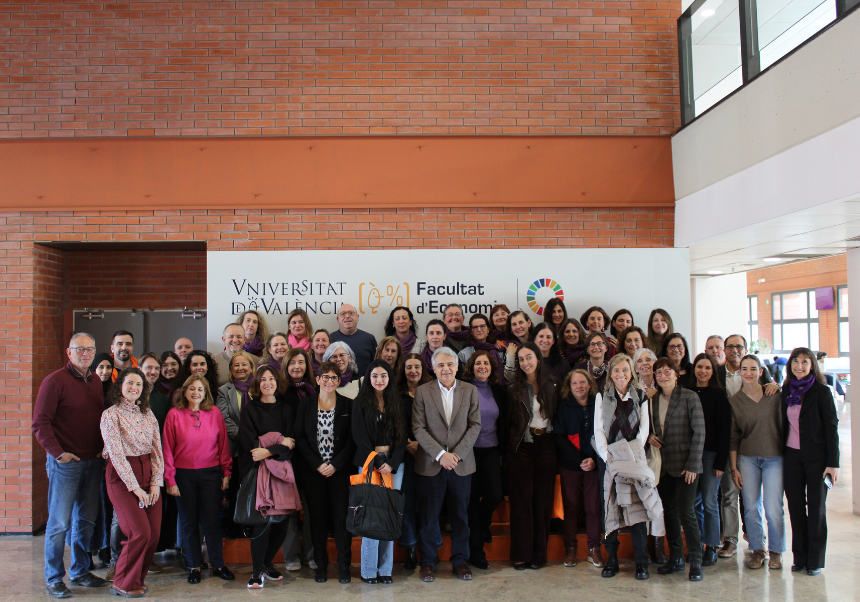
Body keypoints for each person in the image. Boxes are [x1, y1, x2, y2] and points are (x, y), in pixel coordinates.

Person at [33, 333, 108, 599]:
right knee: (59, 523)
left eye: (90, 349)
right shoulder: (55, 381)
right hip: (66, 465)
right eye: (80, 349)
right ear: (69, 352)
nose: (85, 354)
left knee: (85, 521)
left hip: (93, 462)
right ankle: (54, 578)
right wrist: (59, 454)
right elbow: (40, 424)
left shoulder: (96, 381)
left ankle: (80, 570)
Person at [412, 348, 482, 583]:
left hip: (461, 465)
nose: (446, 369)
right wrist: (441, 454)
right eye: (441, 365)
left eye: (450, 364)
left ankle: (460, 560)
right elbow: (418, 428)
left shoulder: (470, 390)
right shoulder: (423, 392)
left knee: (461, 516)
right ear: (433, 367)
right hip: (431, 464)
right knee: (429, 516)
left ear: (457, 366)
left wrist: (456, 455)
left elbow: (475, 425)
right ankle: (428, 562)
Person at [162, 374, 234, 584]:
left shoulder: (215, 413)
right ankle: (194, 565)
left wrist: (226, 472)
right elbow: (167, 449)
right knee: (188, 522)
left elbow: (223, 445)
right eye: (192, 389)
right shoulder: (174, 415)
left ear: (206, 393)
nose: (196, 392)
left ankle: (218, 564)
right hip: (183, 475)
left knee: (211, 522)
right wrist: (170, 480)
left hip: (211, 474)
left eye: (200, 389)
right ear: (184, 392)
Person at [100, 367, 163, 598]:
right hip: (122, 477)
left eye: (139, 384)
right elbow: (116, 455)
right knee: (139, 532)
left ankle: (137, 579)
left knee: (153, 534)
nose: (134, 388)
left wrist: (156, 483)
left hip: (149, 474)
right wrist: (135, 488)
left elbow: (157, 450)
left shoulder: (148, 414)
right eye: (130, 383)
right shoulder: (111, 415)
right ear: (120, 386)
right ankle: (122, 582)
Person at [294, 361, 356, 584]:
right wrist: (318, 464)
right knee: (317, 520)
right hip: (314, 472)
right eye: (325, 377)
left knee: (342, 519)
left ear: (339, 381)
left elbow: (352, 440)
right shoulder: (306, 405)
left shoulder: (349, 405)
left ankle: (343, 567)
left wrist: (336, 464)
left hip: (340, 472)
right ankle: (321, 566)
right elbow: (300, 438)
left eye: (334, 378)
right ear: (318, 380)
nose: (329, 381)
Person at [594, 354, 655, 580]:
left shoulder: (641, 395)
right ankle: (612, 559)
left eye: (625, 370)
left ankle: (641, 561)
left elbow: (644, 431)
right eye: (616, 371)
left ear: (632, 373)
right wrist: (606, 455)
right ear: (611, 373)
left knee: (636, 509)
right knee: (610, 509)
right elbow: (599, 429)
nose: (621, 375)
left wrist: (630, 456)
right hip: (609, 460)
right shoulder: (603, 395)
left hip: (633, 459)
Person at [781, 347, 839, 575]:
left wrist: (833, 463)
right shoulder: (786, 390)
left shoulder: (822, 392)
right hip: (791, 457)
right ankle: (800, 558)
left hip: (818, 459)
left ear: (812, 365)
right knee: (795, 508)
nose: (800, 366)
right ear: (790, 365)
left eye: (805, 362)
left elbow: (831, 429)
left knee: (816, 509)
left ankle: (815, 560)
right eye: (796, 361)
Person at [237, 365, 297, 589]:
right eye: (263, 379)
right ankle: (255, 572)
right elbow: (250, 446)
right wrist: (278, 442)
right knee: (261, 523)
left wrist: (270, 449)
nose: (267, 383)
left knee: (281, 523)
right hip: (258, 473)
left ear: (277, 382)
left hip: (281, 473)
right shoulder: (250, 409)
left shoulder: (287, 410)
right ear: (257, 384)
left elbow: (290, 446)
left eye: (271, 379)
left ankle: (266, 563)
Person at [718, 333, 777, 559]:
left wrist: (774, 386)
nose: (734, 349)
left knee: (753, 499)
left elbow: (771, 390)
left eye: (739, 346)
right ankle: (730, 540)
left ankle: (757, 541)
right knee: (730, 493)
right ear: (725, 349)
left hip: (756, 443)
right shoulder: (718, 373)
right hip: (729, 440)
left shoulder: (757, 371)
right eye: (730, 346)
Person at [351, 359, 408, 584]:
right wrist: (375, 462)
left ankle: (385, 570)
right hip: (369, 464)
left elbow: (403, 438)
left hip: (394, 466)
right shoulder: (360, 402)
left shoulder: (398, 403)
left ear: (390, 378)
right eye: (374, 376)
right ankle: (368, 571)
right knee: (371, 517)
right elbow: (359, 437)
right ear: (368, 378)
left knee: (389, 516)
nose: (379, 380)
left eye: (383, 376)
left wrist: (393, 462)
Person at [650, 358, 705, 582]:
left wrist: (693, 464)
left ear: (676, 374)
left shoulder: (689, 396)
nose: (662, 376)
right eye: (658, 372)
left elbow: (699, 432)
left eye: (667, 371)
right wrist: (649, 437)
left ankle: (696, 560)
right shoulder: (652, 400)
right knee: (669, 513)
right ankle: (675, 558)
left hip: (686, 466)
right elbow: (649, 429)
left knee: (687, 513)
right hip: (663, 465)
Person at [728, 355, 785, 571]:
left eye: (753, 368)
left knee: (772, 507)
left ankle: (777, 551)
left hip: (774, 458)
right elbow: (733, 438)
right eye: (744, 369)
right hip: (747, 458)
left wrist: (776, 386)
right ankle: (757, 550)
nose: (749, 373)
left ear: (761, 371)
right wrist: (734, 468)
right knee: (751, 506)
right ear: (739, 372)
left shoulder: (774, 395)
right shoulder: (734, 402)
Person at [506, 342, 558, 570]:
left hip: (546, 445)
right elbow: (507, 423)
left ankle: (539, 554)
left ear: (537, 358)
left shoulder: (553, 384)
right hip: (522, 447)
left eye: (529, 357)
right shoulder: (513, 388)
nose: (525, 362)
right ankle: (521, 553)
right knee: (521, 502)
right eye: (521, 359)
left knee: (542, 502)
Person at [461, 350, 507, 570]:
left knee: (495, 495)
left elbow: (504, 421)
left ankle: (483, 524)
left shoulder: (497, 390)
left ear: (491, 367)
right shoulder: (464, 389)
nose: (482, 366)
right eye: (478, 363)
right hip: (468, 452)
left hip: (491, 451)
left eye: (486, 363)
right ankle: (477, 553)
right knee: (470, 502)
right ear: (471, 366)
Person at [554, 369, 603, 568]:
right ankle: (571, 549)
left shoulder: (598, 406)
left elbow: (603, 434)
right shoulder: (564, 407)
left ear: (589, 384)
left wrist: (592, 459)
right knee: (571, 507)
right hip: (570, 465)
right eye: (574, 383)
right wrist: (581, 460)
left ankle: (594, 548)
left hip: (595, 465)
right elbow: (559, 436)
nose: (579, 386)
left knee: (593, 508)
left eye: (583, 382)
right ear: (569, 387)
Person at [687, 353, 731, 567]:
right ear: (694, 368)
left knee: (710, 502)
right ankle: (697, 545)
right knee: (693, 503)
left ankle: (712, 546)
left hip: (711, 455)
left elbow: (725, 431)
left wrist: (721, 462)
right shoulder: (686, 392)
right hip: (690, 456)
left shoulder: (718, 395)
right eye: (699, 367)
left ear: (713, 371)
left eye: (707, 368)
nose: (703, 371)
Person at [279, 347, 317, 572]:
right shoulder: (281, 392)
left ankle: (311, 555)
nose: (296, 366)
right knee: (289, 510)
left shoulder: (315, 390)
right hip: (288, 459)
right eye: (292, 362)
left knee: (313, 509)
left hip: (311, 459)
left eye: (301, 362)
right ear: (285, 365)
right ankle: (291, 556)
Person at [397, 353, 435, 570]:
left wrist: (421, 445)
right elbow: (394, 425)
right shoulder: (396, 394)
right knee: (408, 503)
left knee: (430, 503)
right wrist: (408, 444)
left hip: (429, 454)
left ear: (423, 369)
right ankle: (410, 547)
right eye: (409, 367)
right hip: (404, 455)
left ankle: (432, 546)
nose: (413, 371)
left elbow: (439, 424)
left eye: (417, 367)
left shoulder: (432, 392)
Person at [215, 350, 256, 539]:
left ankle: (253, 526)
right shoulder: (224, 390)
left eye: (244, 364)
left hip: (257, 450)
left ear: (251, 367)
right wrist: (244, 438)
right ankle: (234, 528)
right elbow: (224, 419)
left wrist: (256, 441)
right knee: (234, 492)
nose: (241, 368)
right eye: (236, 365)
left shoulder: (259, 388)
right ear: (231, 369)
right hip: (234, 449)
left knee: (254, 490)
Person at [330, 303, 378, 375]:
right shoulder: (330, 339)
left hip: (363, 384)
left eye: (351, 313)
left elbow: (376, 365)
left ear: (357, 317)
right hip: (336, 384)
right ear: (337, 319)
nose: (347, 316)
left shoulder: (369, 339)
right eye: (343, 314)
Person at [502, 310, 533, 382]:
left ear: (529, 323)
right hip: (518, 388)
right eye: (514, 324)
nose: (518, 327)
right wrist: (510, 356)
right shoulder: (508, 347)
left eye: (521, 322)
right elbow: (509, 377)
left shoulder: (538, 342)